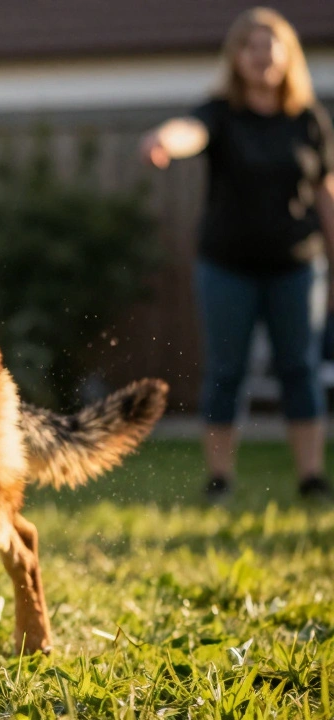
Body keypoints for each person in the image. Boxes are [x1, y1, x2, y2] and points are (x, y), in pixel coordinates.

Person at [140, 7, 334, 502]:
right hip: (226, 267)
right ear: (238, 57)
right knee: (227, 371)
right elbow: (192, 132)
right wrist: (167, 139)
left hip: (297, 267)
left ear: (287, 56)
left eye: (272, 46)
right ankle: (220, 479)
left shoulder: (309, 118)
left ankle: (311, 479)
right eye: (252, 46)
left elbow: (326, 193)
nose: (262, 55)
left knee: (301, 370)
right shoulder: (221, 112)